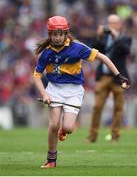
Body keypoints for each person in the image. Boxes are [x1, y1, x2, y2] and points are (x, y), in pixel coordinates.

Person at [33, 15, 130, 169]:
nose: (57, 37)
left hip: (74, 91)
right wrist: (44, 93)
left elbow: (103, 57)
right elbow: (37, 75)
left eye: (60, 34)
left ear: (65, 33)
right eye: (54, 34)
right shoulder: (46, 53)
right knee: (53, 124)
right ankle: (51, 160)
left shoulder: (77, 47)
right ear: (49, 34)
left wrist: (118, 76)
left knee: (69, 128)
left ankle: (63, 131)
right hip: (54, 89)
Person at [87, 14, 132, 143]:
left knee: (118, 108)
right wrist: (99, 35)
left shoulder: (124, 38)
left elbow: (126, 51)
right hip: (103, 76)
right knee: (97, 107)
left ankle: (115, 136)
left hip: (118, 78)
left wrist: (115, 36)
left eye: (114, 23)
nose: (111, 25)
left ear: (119, 24)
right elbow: (94, 49)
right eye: (109, 23)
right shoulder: (104, 38)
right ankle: (92, 137)